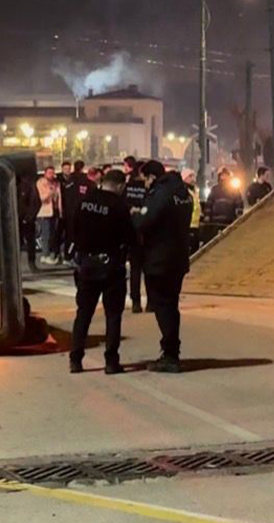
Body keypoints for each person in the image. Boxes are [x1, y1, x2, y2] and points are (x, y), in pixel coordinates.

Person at [69, 169, 137, 375]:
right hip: (111, 266)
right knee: (113, 315)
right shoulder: (119, 206)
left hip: (86, 264)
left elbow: (72, 228)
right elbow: (130, 237)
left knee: (83, 314)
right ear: (119, 186)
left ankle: (75, 359)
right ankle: (111, 361)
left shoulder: (85, 201)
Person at [133, 160, 194, 373]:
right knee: (171, 304)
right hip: (178, 257)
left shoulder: (161, 193)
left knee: (163, 306)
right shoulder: (183, 193)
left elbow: (144, 222)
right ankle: (171, 350)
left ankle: (170, 354)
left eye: (145, 180)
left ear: (151, 177)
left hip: (160, 258)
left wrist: (136, 215)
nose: (145, 185)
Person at [123, 158, 148, 313]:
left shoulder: (127, 186)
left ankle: (136, 301)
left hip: (132, 231)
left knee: (135, 269)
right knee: (148, 268)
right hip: (146, 232)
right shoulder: (150, 189)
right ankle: (151, 301)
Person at [36, 167, 62, 265]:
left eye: (53, 172)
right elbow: (42, 198)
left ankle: (51, 254)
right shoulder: (41, 183)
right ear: (45, 173)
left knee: (53, 234)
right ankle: (44, 255)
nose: (51, 175)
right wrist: (50, 192)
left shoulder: (56, 183)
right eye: (49, 173)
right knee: (45, 234)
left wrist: (60, 210)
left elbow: (59, 197)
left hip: (54, 211)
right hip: (45, 212)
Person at [181, 169, 202, 253]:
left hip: (195, 225)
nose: (193, 179)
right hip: (188, 225)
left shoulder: (194, 191)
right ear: (184, 178)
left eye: (193, 176)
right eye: (190, 176)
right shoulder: (183, 191)